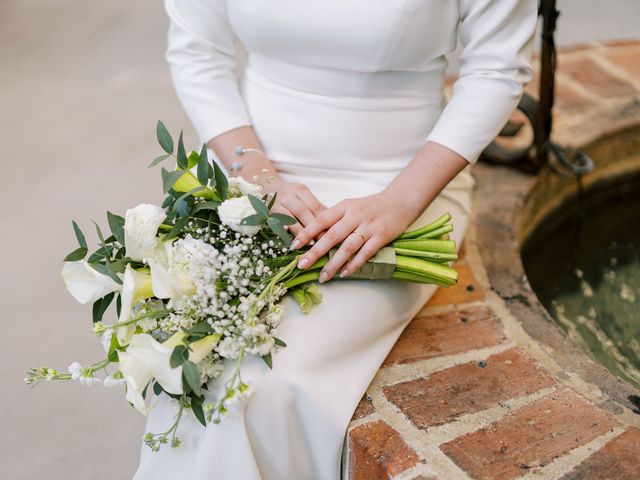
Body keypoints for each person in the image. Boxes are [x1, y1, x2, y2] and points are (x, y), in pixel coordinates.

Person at [134, 0, 537, 478]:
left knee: (262, 385)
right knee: (191, 358)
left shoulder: (402, 201)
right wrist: (260, 182)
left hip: (397, 189)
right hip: (249, 174)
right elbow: (197, 52)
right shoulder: (253, 179)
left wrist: (400, 202)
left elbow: (496, 68)